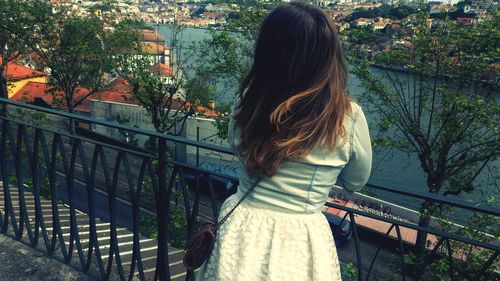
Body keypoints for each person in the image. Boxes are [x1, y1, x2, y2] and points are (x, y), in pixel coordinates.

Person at [196, 2, 372, 280]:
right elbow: (355, 181)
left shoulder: (248, 101)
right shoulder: (346, 116)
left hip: (242, 226)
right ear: (329, 55)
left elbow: (235, 146)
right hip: (301, 237)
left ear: (268, 52)